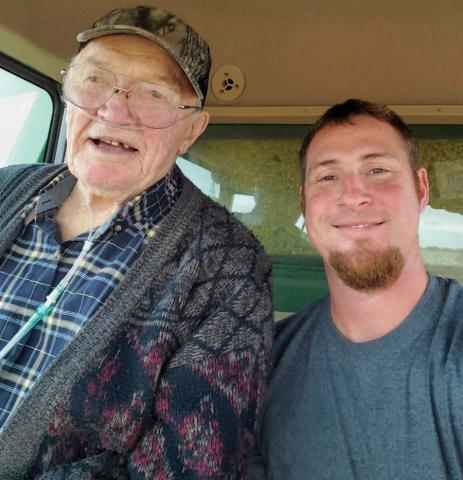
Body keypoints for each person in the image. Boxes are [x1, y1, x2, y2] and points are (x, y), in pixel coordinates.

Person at [0, 6, 272, 479]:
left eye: (154, 94)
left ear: (192, 130)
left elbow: (191, 467)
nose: (115, 109)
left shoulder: (230, 265)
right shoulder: (7, 188)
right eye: (94, 79)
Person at [247, 99, 463, 480]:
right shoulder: (264, 365)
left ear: (421, 187)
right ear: (304, 203)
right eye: (327, 177)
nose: (353, 194)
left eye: (378, 169)